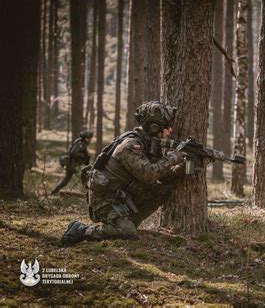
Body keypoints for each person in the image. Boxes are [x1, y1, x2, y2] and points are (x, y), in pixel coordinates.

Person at [60, 101, 209, 246]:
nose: (170, 131)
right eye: (167, 127)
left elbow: (165, 177)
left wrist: (188, 164)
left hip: (120, 194)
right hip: (104, 199)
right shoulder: (130, 145)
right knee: (127, 233)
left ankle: (126, 224)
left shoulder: (148, 144)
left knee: (162, 190)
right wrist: (175, 156)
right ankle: (81, 230)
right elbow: (149, 174)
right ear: (154, 126)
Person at [51, 130, 93, 195]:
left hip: (74, 165)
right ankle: (87, 194)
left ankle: (54, 191)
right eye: (89, 138)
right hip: (73, 165)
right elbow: (73, 152)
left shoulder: (82, 143)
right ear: (86, 138)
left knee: (66, 180)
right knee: (84, 178)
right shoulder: (81, 143)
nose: (90, 140)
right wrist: (82, 155)